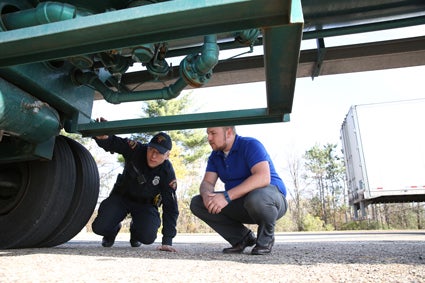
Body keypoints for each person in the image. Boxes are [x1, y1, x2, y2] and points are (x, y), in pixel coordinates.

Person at [190, 126, 287, 255]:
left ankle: (265, 239)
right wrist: (207, 195)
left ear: (228, 132)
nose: (209, 138)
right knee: (198, 203)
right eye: (208, 133)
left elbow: (263, 177)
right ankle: (242, 238)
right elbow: (207, 182)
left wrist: (226, 197)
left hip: (270, 200)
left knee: (256, 197)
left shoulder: (250, 145)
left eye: (213, 133)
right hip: (240, 202)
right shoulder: (215, 155)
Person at [91, 117, 179, 252]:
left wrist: (167, 240)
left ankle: (135, 229)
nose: (153, 156)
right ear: (148, 146)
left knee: (147, 237)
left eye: (159, 153)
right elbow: (116, 143)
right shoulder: (137, 150)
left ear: (167, 155)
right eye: (151, 150)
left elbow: (170, 207)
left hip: (146, 205)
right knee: (99, 227)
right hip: (122, 198)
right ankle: (113, 229)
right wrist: (104, 138)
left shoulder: (167, 173)